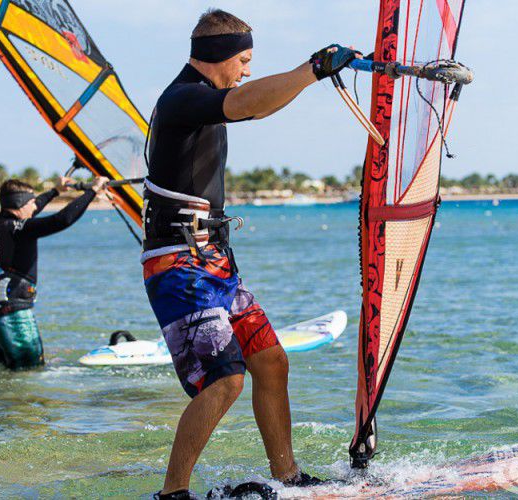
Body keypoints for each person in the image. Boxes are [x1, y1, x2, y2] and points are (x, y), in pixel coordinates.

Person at [142, 8, 360, 498]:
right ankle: (173, 492)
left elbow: (250, 104)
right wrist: (312, 70)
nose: (246, 70)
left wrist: (314, 73)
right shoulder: (182, 98)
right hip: (179, 265)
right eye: (243, 61)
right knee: (225, 380)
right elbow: (247, 104)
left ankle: (288, 477)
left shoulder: (203, 99)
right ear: (218, 56)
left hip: (215, 262)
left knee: (271, 361)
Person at [0, 174, 108, 370]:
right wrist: (92, 191)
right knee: (30, 372)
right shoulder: (21, 229)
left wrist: (55, 191)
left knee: (2, 375)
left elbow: (31, 211)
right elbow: (62, 220)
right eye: (31, 202)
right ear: (20, 204)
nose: (34, 206)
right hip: (12, 318)